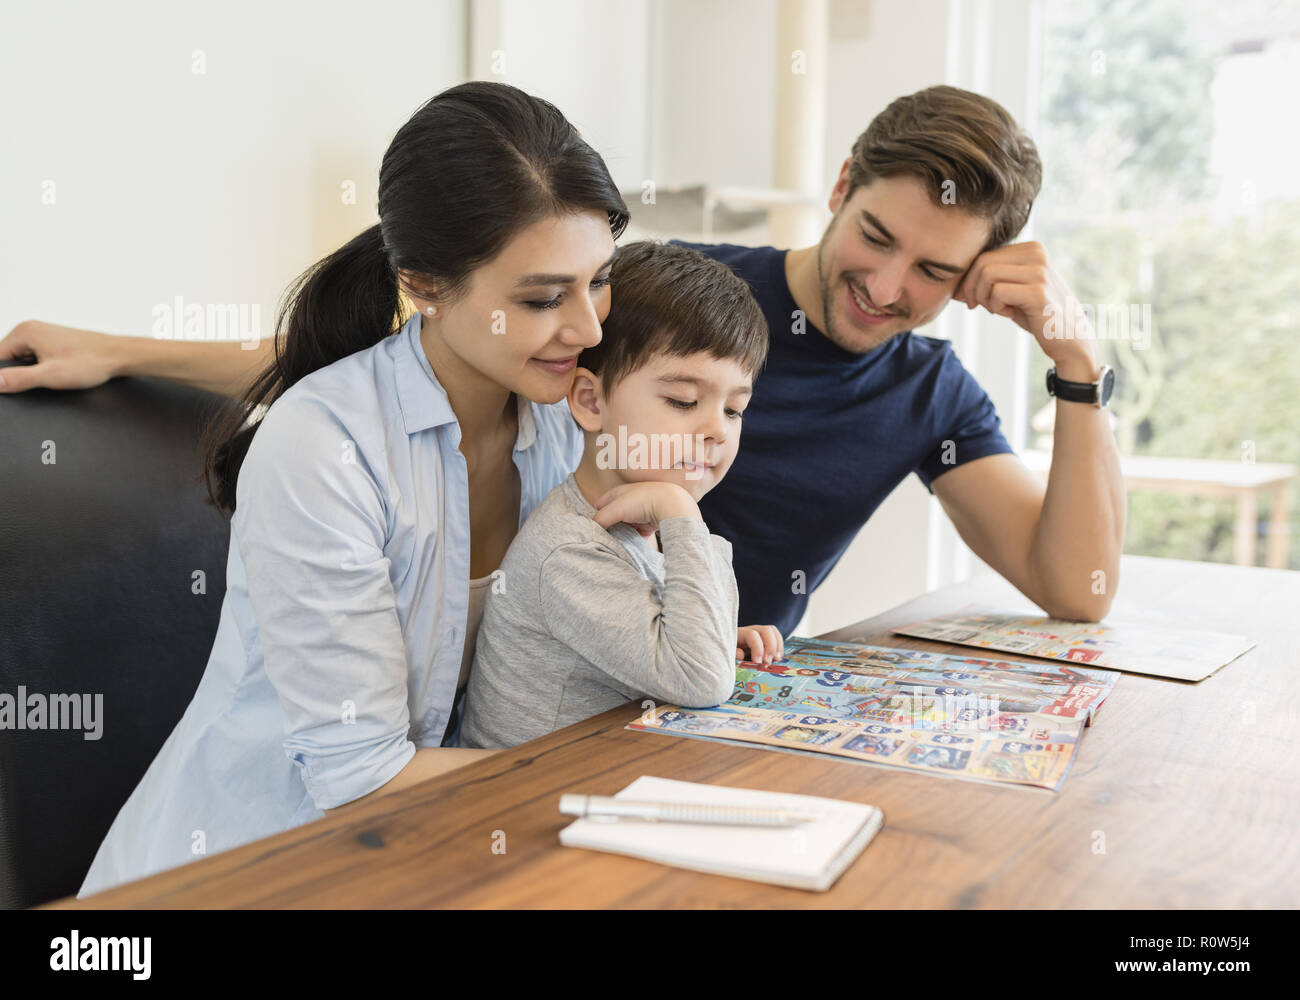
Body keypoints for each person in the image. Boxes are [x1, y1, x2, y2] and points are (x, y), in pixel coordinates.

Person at [1, 85, 1125, 637]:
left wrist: (1077, 363)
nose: (885, 287)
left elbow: (1076, 589)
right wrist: (118, 349)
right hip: (554, 685)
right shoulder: (667, 290)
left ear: (978, 277)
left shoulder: (928, 392)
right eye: (874, 237)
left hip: (703, 689)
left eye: (932, 273)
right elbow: (409, 360)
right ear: (838, 189)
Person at [73, 80, 636, 896]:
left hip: (441, 847)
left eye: (600, 281)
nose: (588, 327)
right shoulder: (324, 446)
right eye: (543, 298)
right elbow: (363, 779)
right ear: (426, 286)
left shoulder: (561, 417)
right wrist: (613, 785)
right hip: (250, 868)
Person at [460, 240, 777, 750]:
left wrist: (717, 633)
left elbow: (686, 657)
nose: (716, 430)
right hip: (525, 809)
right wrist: (682, 515)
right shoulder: (571, 550)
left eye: (734, 410)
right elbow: (700, 680)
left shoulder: (639, 528)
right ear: (590, 400)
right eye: (683, 400)